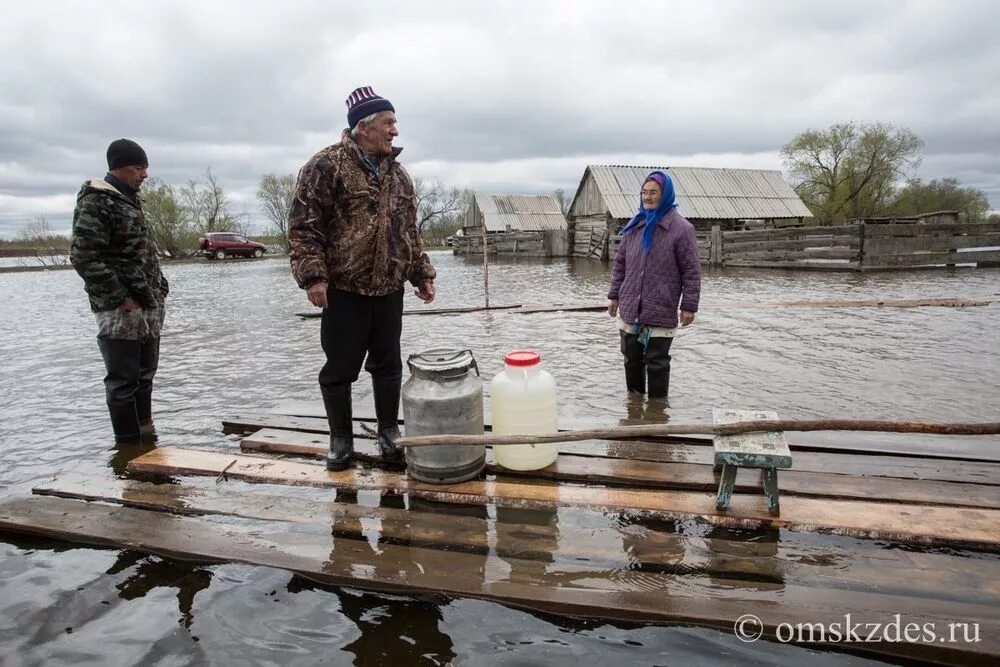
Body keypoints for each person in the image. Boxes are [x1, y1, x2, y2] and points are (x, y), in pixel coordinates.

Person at [289, 86, 436, 471]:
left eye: (395, 123)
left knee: (388, 366)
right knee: (340, 369)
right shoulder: (325, 166)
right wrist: (313, 277)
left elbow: (410, 231)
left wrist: (421, 274)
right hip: (344, 289)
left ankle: (388, 432)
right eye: (388, 123)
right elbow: (304, 228)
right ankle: (341, 439)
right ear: (363, 127)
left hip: (389, 287)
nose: (395, 131)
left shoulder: (400, 176)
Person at [71, 138, 169, 444]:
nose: (145, 174)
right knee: (123, 380)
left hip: (149, 303)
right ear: (119, 167)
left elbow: (141, 253)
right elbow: (84, 256)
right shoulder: (97, 201)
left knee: (144, 376)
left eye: (146, 167)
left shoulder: (130, 200)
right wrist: (120, 297)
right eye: (139, 167)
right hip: (119, 309)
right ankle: (128, 447)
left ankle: (147, 438)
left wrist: (160, 287)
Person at [607, 171, 700, 398]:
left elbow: (691, 271)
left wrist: (689, 306)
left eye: (653, 193)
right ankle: (635, 410)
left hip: (660, 306)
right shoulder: (634, 226)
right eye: (644, 192)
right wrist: (614, 296)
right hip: (631, 307)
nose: (647, 197)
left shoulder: (681, 229)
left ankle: (658, 416)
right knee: (631, 360)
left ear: (665, 195)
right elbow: (620, 265)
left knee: (657, 363)